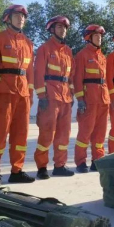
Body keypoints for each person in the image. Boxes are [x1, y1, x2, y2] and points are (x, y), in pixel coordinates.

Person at [0, 4, 35, 186]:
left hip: (23, 95)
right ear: (8, 18)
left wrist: (30, 94)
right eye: (17, 15)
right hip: (4, 92)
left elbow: (30, 72)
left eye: (23, 16)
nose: (21, 19)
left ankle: (17, 171)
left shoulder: (28, 43)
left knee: (21, 135)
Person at [33, 15, 75, 179]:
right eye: (59, 27)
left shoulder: (68, 51)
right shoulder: (44, 49)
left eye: (64, 27)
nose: (62, 30)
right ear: (51, 29)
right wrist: (41, 96)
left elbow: (71, 76)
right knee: (47, 132)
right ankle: (42, 167)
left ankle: (60, 165)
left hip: (65, 97)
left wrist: (72, 94)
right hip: (50, 96)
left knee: (64, 134)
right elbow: (38, 73)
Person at [73, 25, 110, 173]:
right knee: (85, 132)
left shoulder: (102, 57)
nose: (99, 38)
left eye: (100, 36)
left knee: (100, 133)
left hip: (103, 99)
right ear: (88, 38)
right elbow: (77, 79)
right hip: (89, 100)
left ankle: (97, 160)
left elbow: (105, 80)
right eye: (96, 36)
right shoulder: (82, 55)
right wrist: (80, 99)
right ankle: (81, 162)